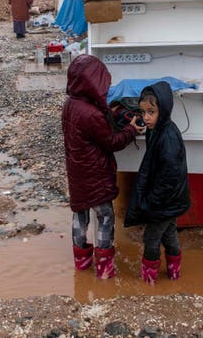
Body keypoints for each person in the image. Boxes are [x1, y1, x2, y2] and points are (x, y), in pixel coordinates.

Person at [62, 54, 144, 279]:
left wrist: (111, 113)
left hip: (77, 173)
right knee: (105, 217)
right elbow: (112, 142)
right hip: (96, 175)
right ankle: (104, 269)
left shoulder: (70, 105)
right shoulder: (92, 114)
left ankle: (81, 264)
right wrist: (131, 129)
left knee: (80, 215)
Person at [124, 81, 191, 285]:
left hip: (162, 200)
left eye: (151, 112)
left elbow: (169, 177)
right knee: (169, 233)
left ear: (163, 110)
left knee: (151, 239)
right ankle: (174, 274)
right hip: (170, 200)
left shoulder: (167, 137)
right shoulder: (160, 130)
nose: (146, 117)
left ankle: (149, 279)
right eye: (143, 112)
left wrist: (151, 201)